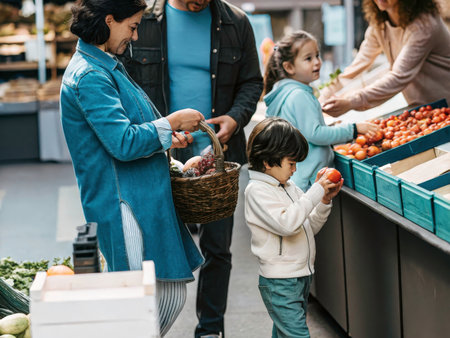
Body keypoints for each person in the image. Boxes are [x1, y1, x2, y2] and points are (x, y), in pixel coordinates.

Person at [60, 0, 205, 336]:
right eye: (133, 26)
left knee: (157, 297)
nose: (135, 36)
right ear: (110, 20)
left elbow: (128, 127)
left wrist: (165, 138)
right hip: (126, 203)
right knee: (142, 305)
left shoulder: (104, 64)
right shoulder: (91, 76)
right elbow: (123, 142)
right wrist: (169, 124)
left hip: (139, 196)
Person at [120, 0, 263, 336]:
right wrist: (155, 131)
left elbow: (252, 83)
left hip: (218, 153)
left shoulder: (235, 22)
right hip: (159, 151)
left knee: (217, 247)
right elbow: (125, 83)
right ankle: (148, 326)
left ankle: (210, 329)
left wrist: (235, 117)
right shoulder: (145, 21)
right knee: (152, 241)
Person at [244, 117, 343, 338]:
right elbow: (287, 224)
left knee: (285, 333)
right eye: (291, 163)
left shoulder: (287, 186)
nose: (295, 170)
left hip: (300, 276)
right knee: (297, 335)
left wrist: (324, 200)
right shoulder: (257, 191)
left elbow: (307, 227)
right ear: (268, 162)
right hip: (280, 282)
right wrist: (315, 191)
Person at [263, 30, 379, 191]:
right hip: (308, 181)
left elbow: (304, 131)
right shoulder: (299, 96)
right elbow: (315, 134)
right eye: (308, 58)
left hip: (298, 178)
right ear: (289, 67)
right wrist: (353, 129)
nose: (317, 62)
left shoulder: (285, 91)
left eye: (317, 55)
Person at [321, 0, 450, 116]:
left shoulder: (424, 26)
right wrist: (327, 92)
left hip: (445, 109)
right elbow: (360, 62)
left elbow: (398, 77)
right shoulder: (381, 22)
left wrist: (351, 101)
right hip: (423, 110)